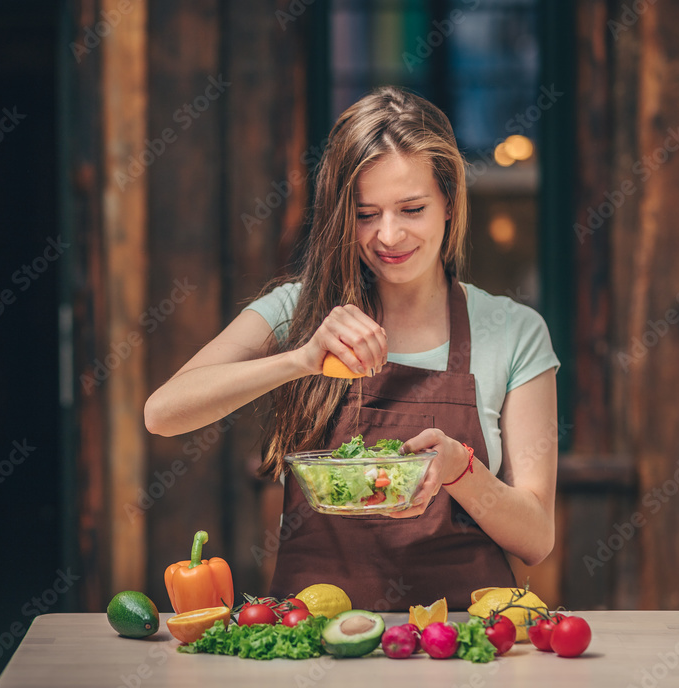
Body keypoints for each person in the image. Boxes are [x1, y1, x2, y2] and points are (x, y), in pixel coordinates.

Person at [143, 86, 560, 611]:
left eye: (412, 208)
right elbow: (163, 413)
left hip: (457, 643)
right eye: (366, 214)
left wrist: (461, 471)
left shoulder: (515, 330)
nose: (389, 235)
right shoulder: (298, 310)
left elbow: (537, 538)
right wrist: (300, 359)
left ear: (449, 203)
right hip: (314, 642)